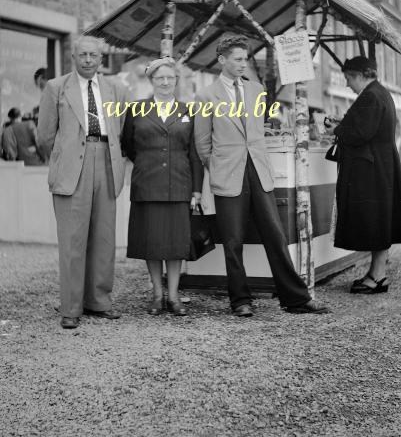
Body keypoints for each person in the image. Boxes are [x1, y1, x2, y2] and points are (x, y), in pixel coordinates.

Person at [194, 34, 329, 317]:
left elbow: (257, 130)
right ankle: (240, 300)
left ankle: (296, 299)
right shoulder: (206, 95)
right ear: (222, 60)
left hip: (259, 171)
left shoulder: (256, 90)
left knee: (275, 235)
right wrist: (219, 165)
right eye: (238, 59)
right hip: (228, 174)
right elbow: (202, 143)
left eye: (245, 58)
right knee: (232, 241)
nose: (244, 63)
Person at [38, 36, 126, 329]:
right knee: (73, 241)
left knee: (104, 238)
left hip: (106, 161)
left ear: (101, 59)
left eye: (94, 55)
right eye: (83, 54)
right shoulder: (56, 87)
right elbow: (45, 136)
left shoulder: (116, 89)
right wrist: (64, 157)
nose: (89, 59)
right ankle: (71, 308)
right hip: (72, 165)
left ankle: (98, 301)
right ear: (73, 57)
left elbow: (119, 128)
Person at [122, 57, 203, 316]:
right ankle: (157, 295)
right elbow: (128, 146)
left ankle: (174, 296)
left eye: (170, 77)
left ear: (176, 81)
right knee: (152, 242)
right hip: (148, 184)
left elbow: (194, 152)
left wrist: (196, 190)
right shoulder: (136, 110)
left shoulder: (188, 111)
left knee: (176, 244)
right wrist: (149, 164)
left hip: (179, 184)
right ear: (152, 81)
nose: (165, 82)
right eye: (160, 78)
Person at [325, 56, 401, 294]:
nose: (347, 83)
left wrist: (336, 129)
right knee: (381, 221)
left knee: (375, 222)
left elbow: (359, 133)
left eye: (349, 78)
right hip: (380, 167)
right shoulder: (381, 93)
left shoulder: (370, 96)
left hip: (371, 171)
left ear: (359, 75)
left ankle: (377, 277)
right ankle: (377, 274)